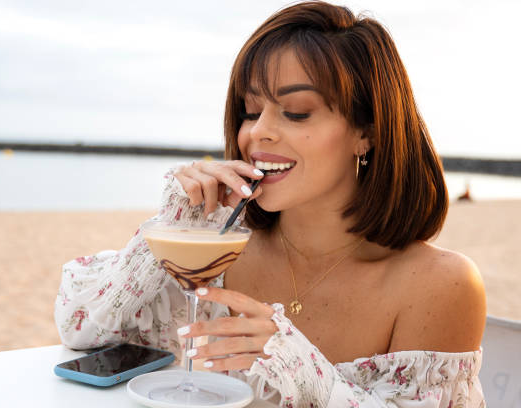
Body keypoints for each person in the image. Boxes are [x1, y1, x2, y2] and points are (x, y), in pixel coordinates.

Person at [55, 2, 486, 406]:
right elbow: (78, 329)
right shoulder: (213, 250)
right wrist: (171, 227)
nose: (257, 133)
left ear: (366, 132)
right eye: (250, 110)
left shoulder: (439, 285)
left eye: (296, 113)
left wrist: (305, 372)